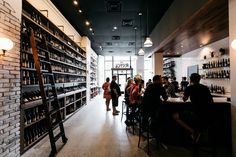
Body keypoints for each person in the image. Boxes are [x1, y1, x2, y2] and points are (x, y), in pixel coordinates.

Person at [172, 73, 213, 142]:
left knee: (175, 116)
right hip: (208, 115)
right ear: (199, 79)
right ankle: (203, 132)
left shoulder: (190, 88)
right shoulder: (205, 88)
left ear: (190, 80)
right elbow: (211, 100)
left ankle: (194, 132)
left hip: (196, 114)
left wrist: (184, 95)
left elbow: (184, 99)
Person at [142, 75, 168, 141]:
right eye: (160, 79)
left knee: (150, 118)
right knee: (162, 115)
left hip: (145, 108)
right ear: (157, 80)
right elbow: (165, 98)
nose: (162, 81)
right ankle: (158, 132)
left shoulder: (149, 86)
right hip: (154, 109)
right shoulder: (160, 87)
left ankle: (145, 130)